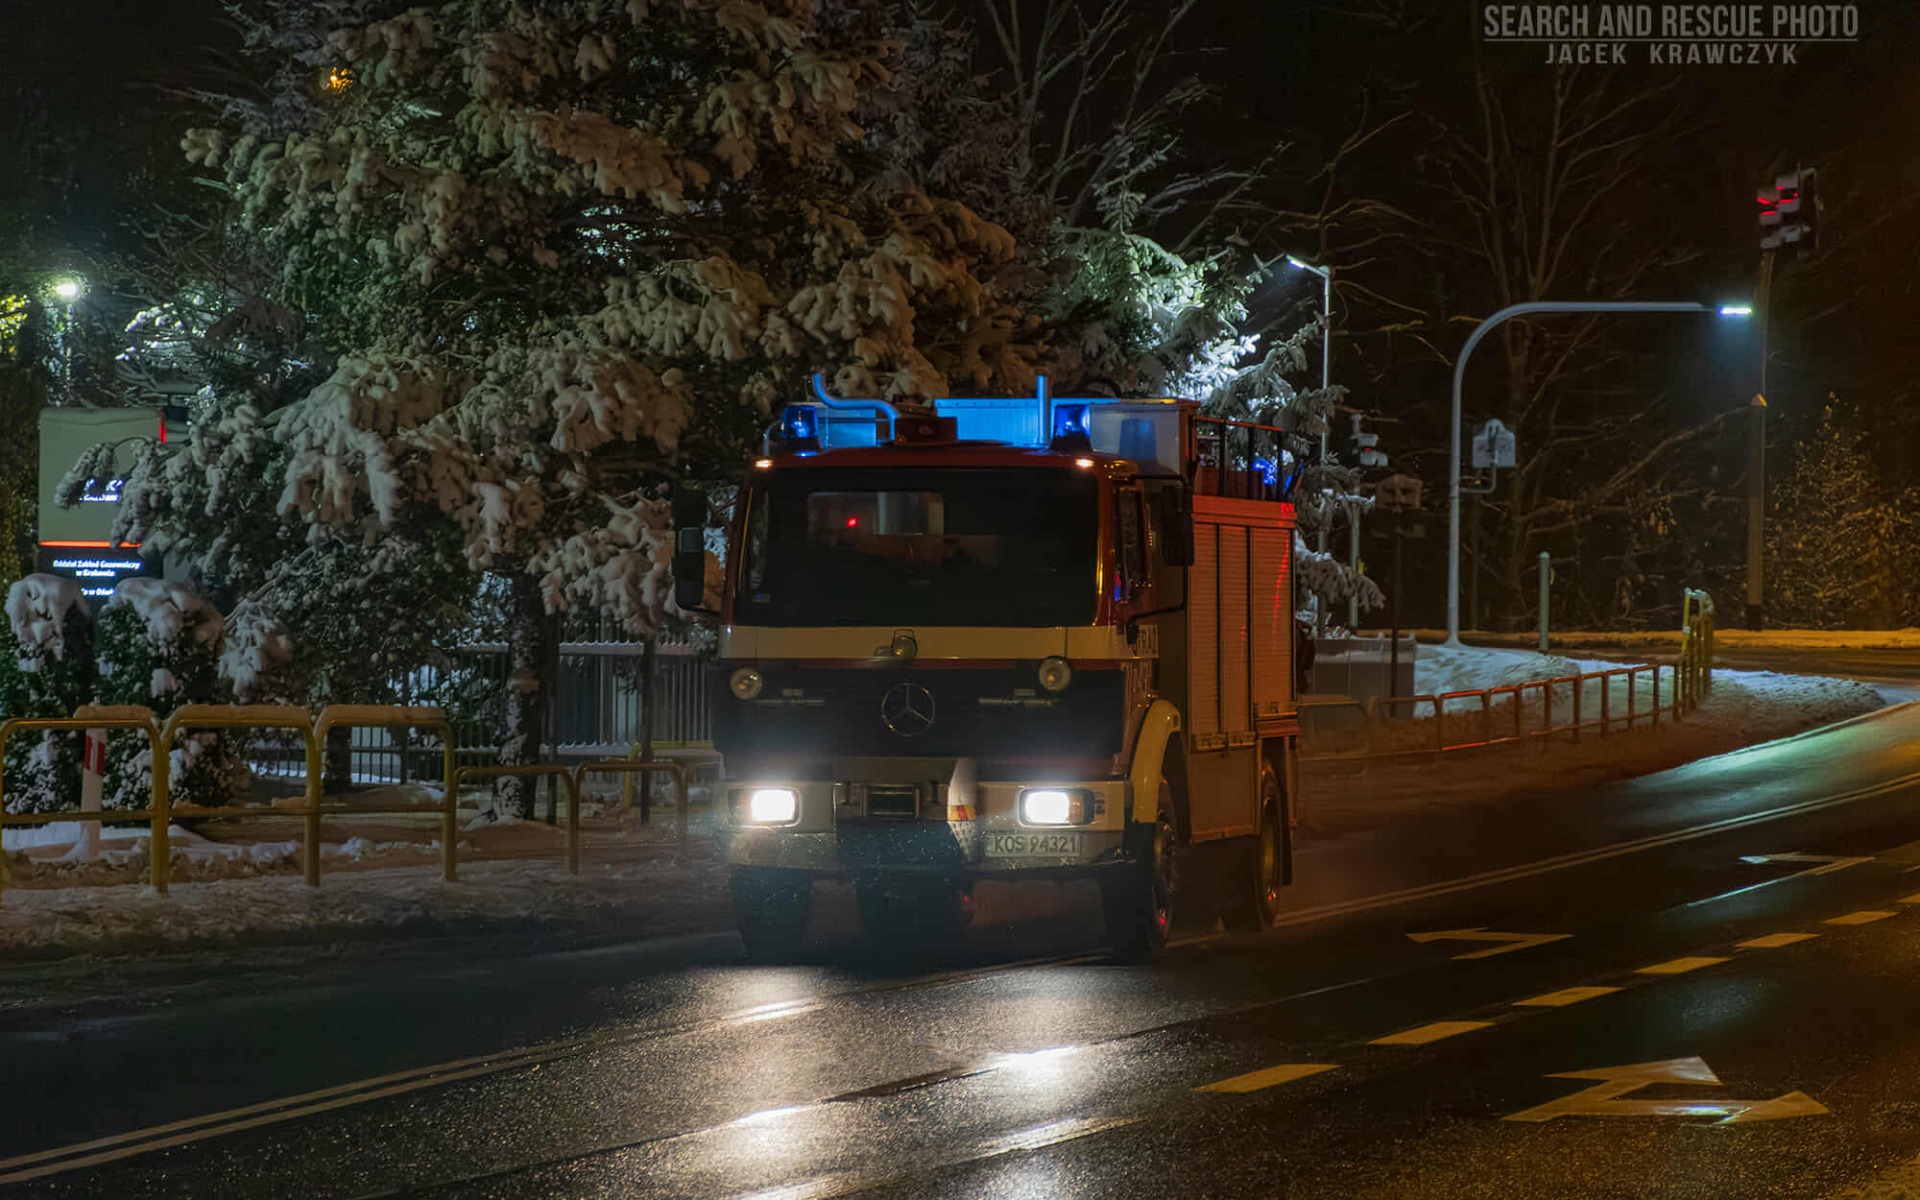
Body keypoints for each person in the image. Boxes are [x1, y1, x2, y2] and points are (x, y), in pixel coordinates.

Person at [1294, 618, 1316, 694]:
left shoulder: (1295, 624)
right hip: (1300, 650)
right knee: (1298, 669)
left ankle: (1302, 687)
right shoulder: (1297, 625)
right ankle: (1302, 687)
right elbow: (1309, 627)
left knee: (1298, 669)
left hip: (1299, 651)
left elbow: (1309, 627)